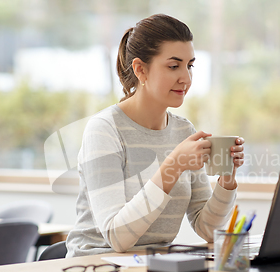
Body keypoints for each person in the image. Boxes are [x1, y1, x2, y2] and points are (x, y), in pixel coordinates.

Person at [65, 14, 245, 257]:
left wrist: (227, 180)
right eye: (173, 66)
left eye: (189, 65)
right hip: (96, 268)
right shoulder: (105, 129)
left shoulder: (183, 131)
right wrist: (173, 166)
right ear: (140, 70)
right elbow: (117, 238)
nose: (186, 78)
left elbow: (208, 229)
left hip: (153, 267)